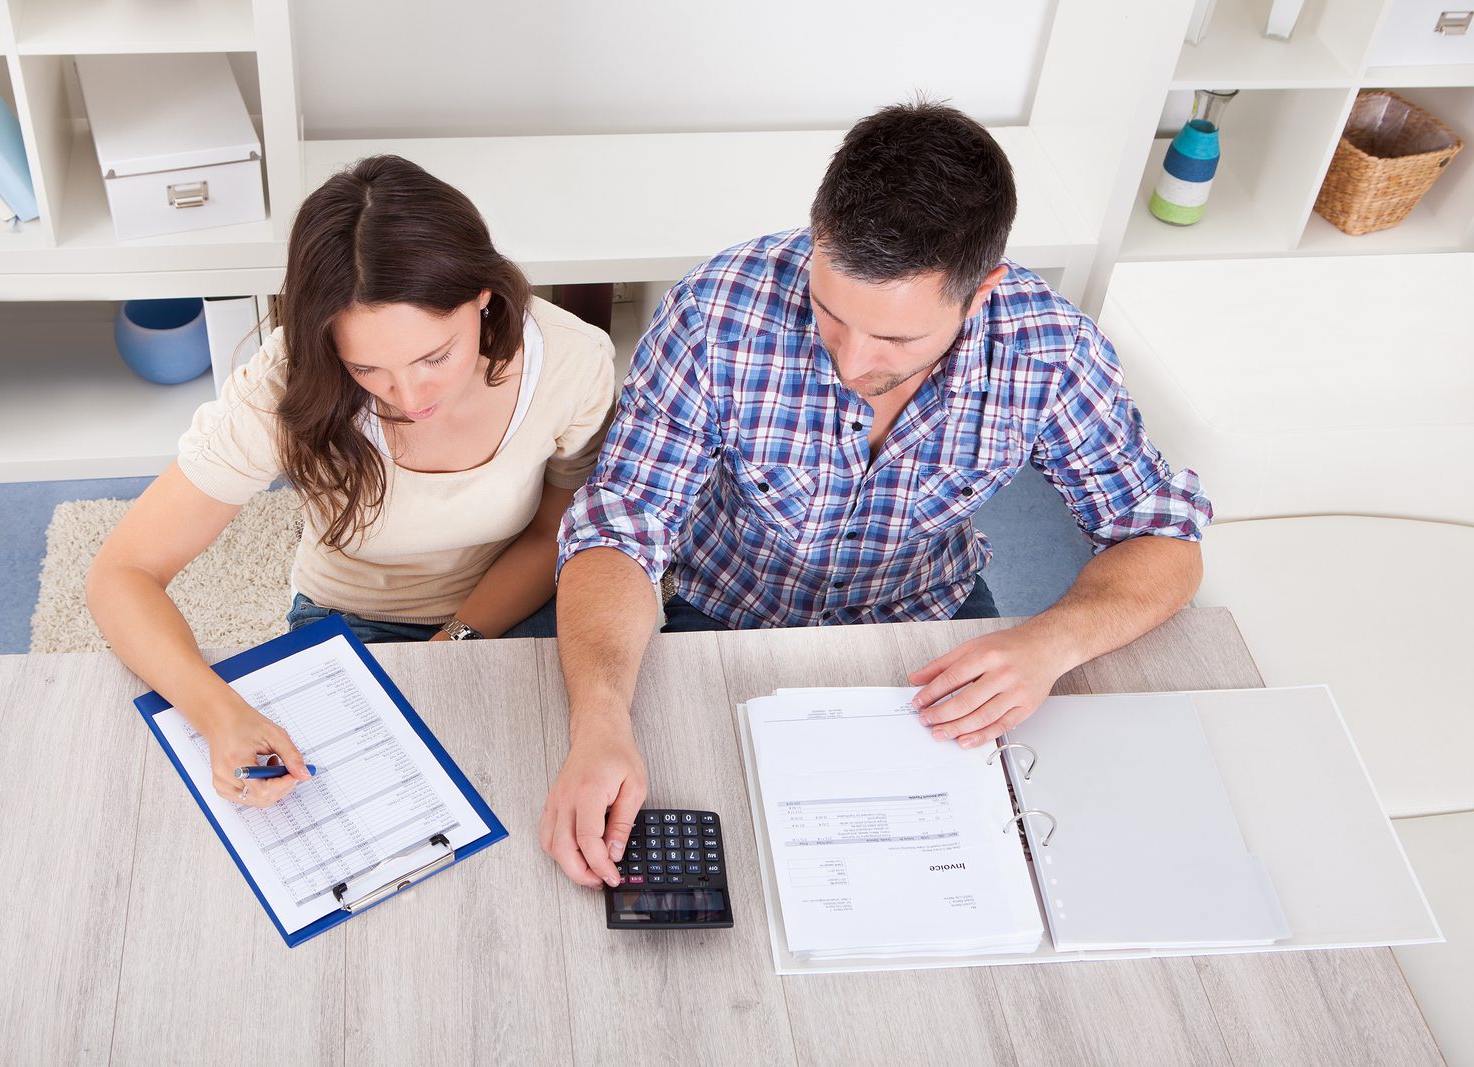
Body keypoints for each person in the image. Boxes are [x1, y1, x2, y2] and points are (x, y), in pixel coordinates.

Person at [539, 102, 1212, 889]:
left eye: (896, 339)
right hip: (722, 606)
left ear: (981, 289)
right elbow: (621, 525)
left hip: (932, 620)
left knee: (1012, 868)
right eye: (830, 312)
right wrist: (599, 718)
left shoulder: (1051, 348)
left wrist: (1049, 642)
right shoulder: (715, 311)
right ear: (818, 236)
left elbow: (1163, 538)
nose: (854, 359)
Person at [87, 155, 617, 810]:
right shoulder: (286, 382)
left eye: (435, 356)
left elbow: (556, 531)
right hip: (353, 617)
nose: (409, 394)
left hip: (512, 601)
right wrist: (218, 711)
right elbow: (122, 572)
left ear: (484, 298)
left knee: (575, 792)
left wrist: (455, 640)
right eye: (367, 368)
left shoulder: (572, 360)